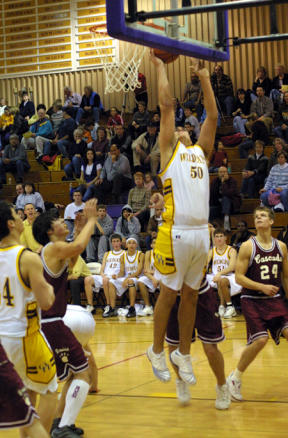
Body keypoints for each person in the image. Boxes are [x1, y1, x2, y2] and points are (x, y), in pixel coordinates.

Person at [146, 51, 217, 384]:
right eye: (175, 130)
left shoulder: (201, 153)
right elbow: (166, 107)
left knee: (191, 294)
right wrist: (160, 67)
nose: (180, 131)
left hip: (201, 233)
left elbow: (213, 117)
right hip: (174, 232)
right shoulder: (168, 152)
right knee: (169, 294)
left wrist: (204, 77)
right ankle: (157, 349)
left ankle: (183, 354)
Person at [32, 199, 99, 438]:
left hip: (49, 323)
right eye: (60, 221)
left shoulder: (52, 251)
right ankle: (63, 427)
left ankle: (58, 423)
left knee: (72, 375)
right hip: (52, 323)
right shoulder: (51, 248)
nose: (65, 222)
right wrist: (92, 219)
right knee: (83, 374)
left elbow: (72, 259)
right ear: (50, 231)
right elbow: (78, 248)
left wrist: (80, 229)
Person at [0, 200, 58, 434]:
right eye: (17, 213)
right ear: (11, 223)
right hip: (24, 336)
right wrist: (50, 288)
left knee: (28, 394)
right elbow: (47, 302)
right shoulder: (27, 258)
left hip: (1, 338)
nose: (22, 215)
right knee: (50, 391)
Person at [227, 206, 288, 401]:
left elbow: (285, 277)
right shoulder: (247, 246)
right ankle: (235, 378)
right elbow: (238, 277)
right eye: (256, 217)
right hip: (252, 300)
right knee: (261, 340)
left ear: (271, 221)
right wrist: (261, 286)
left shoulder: (281, 247)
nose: (258, 218)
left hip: (275, 300)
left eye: (263, 216)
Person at [166, 272, 230, 409]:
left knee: (211, 349)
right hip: (173, 296)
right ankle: (180, 380)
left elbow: (197, 273)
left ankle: (222, 385)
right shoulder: (161, 250)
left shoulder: (197, 249)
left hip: (201, 295)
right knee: (173, 346)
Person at [84, 233, 125, 317]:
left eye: (117, 241)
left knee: (105, 280)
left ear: (121, 243)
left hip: (116, 277)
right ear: (111, 243)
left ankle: (109, 306)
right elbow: (102, 267)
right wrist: (102, 274)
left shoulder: (124, 253)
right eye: (114, 241)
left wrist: (117, 276)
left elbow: (123, 270)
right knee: (87, 279)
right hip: (105, 276)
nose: (116, 243)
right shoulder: (107, 253)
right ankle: (90, 306)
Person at [207, 228, 242, 318]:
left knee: (221, 280)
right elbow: (205, 265)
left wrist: (219, 274)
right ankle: (212, 308)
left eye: (221, 236)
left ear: (226, 238)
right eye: (217, 236)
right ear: (214, 239)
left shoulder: (231, 250)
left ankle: (227, 306)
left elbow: (232, 267)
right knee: (200, 281)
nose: (219, 239)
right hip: (214, 276)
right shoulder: (212, 251)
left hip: (230, 276)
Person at [109, 237, 144, 318]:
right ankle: (113, 308)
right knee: (111, 282)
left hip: (138, 278)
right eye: (129, 243)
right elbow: (122, 272)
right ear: (126, 245)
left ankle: (132, 308)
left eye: (133, 243)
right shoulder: (122, 256)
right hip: (127, 278)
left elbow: (138, 271)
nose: (131, 245)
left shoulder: (141, 254)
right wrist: (117, 276)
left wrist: (126, 279)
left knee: (131, 281)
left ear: (136, 245)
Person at [209, 166, 241, 231]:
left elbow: (229, 194)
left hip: (231, 205)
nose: (222, 174)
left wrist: (224, 183)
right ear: (218, 173)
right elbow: (213, 194)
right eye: (220, 172)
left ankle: (226, 221)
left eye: (224, 172)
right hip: (218, 205)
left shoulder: (232, 181)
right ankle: (211, 227)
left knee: (226, 198)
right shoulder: (215, 181)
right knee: (210, 210)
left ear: (227, 173)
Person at [137, 237, 158, 316]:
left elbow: (166, 271)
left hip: (163, 277)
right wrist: (153, 278)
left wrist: (152, 272)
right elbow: (146, 271)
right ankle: (148, 306)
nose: (156, 244)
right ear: (151, 245)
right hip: (152, 277)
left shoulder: (165, 252)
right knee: (141, 280)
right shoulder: (148, 253)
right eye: (154, 243)